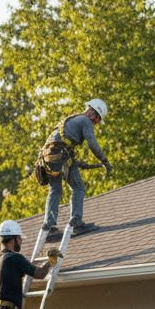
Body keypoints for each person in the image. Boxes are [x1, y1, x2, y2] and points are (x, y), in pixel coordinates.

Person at [37, 98, 111, 236]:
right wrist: (105, 161)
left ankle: (49, 228)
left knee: (55, 190)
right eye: (96, 119)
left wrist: (77, 162)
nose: (95, 122)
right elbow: (92, 144)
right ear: (91, 112)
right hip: (59, 155)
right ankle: (76, 224)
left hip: (49, 156)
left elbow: (63, 144)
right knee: (78, 187)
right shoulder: (85, 121)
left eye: (97, 121)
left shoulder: (72, 120)